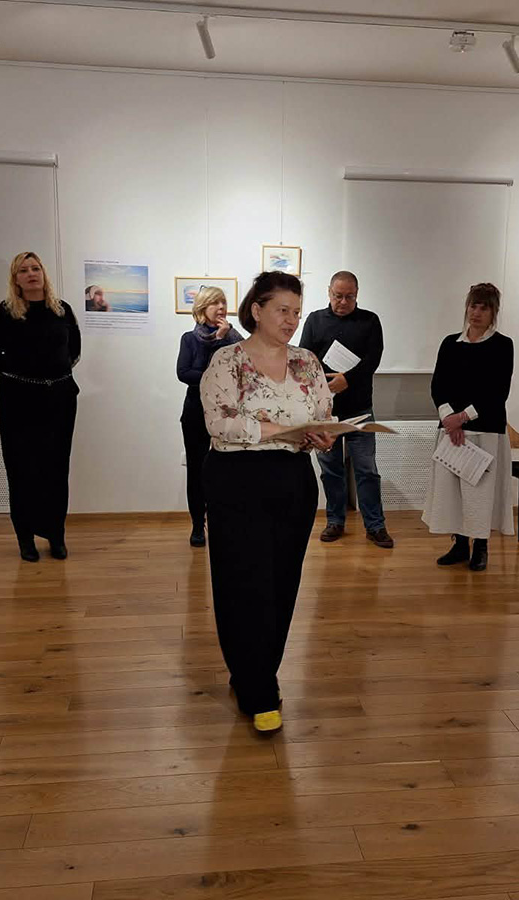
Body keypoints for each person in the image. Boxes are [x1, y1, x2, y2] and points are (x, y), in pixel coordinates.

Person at [199, 271, 336, 734]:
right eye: (282, 310)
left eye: (297, 311)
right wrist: (282, 430)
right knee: (244, 582)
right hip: (236, 480)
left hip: (293, 479)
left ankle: (258, 671)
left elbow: (322, 413)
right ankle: (257, 688)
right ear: (256, 310)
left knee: (281, 583)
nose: (292, 320)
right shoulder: (227, 360)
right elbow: (220, 423)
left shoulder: (307, 362)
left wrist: (322, 434)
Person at [0, 252, 81, 562]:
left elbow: (74, 351)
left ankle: (56, 535)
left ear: (43, 273)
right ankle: (25, 538)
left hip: (59, 400)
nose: (31, 274)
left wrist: (52, 378)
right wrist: (20, 380)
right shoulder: (4, 312)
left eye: (35, 268)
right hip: (18, 401)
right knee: (22, 468)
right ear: (16, 279)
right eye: (23, 270)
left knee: (56, 468)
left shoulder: (62, 310)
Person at [421, 283, 515, 572]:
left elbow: (497, 391)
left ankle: (481, 546)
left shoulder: (502, 345)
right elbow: (438, 385)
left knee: (480, 494)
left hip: (485, 430)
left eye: (484, 308)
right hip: (451, 431)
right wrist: (449, 417)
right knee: (454, 493)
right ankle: (460, 544)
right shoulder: (451, 343)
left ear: (493, 312)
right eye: (474, 306)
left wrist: (462, 417)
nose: (477, 312)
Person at [298, 271, 394, 548]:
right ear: (329, 292)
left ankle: (375, 525)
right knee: (331, 470)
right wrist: (323, 384)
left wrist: (347, 380)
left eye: (349, 297)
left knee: (367, 470)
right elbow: (305, 359)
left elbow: (373, 359)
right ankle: (335, 521)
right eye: (338, 296)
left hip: (360, 409)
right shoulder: (315, 320)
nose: (342, 302)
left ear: (357, 294)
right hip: (325, 411)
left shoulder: (369, 320)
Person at [176, 286, 243, 547]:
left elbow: (242, 371)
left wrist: (224, 339)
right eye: (215, 303)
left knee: (227, 469)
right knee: (197, 470)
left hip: (228, 412)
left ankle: (223, 522)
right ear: (202, 308)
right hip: (196, 412)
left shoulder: (235, 339)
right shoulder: (190, 339)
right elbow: (185, 373)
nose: (222, 307)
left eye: (224, 302)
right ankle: (197, 525)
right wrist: (216, 341)